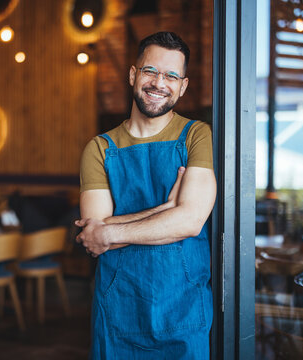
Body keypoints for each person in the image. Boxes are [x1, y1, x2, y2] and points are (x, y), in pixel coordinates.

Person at [76, 31, 216, 359]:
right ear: (133, 75)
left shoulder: (197, 135)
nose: (158, 83)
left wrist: (110, 231)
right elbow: (93, 235)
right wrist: (167, 209)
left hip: (184, 309)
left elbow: (191, 221)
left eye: (171, 75)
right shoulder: (99, 148)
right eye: (150, 71)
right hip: (118, 311)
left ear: (182, 85)